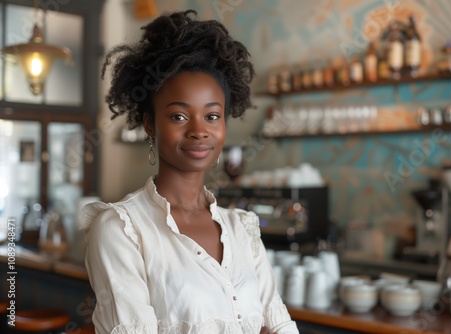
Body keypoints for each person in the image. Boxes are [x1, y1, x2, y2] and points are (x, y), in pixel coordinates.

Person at [80, 10, 299, 334]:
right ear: (150, 123)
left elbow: (278, 327)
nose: (199, 131)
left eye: (212, 116)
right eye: (179, 117)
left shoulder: (243, 229)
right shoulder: (121, 230)